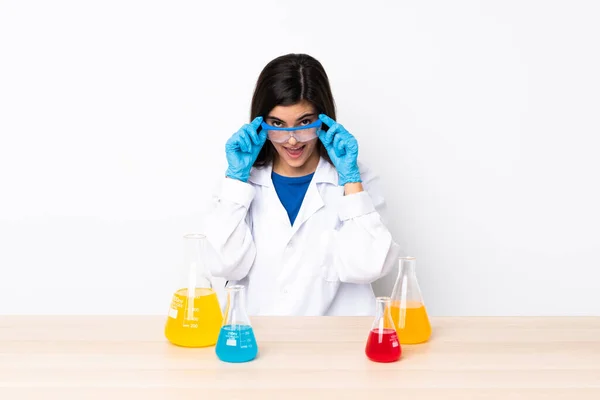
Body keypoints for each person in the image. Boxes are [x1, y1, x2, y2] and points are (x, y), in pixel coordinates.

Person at [204, 53, 400, 316]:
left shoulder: (358, 180)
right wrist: (237, 180)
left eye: (305, 122)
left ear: (324, 120)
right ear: (259, 125)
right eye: (278, 124)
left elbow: (368, 266)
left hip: (338, 344)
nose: (292, 140)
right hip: (258, 342)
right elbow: (223, 265)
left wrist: (351, 181)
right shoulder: (240, 181)